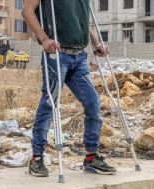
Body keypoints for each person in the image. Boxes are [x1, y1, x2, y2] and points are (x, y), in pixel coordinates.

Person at [22, 0, 117, 177]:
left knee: (93, 103)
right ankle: (36, 158)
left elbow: (82, 20)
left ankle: (91, 157)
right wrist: (44, 38)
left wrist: (96, 43)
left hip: (79, 56)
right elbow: (27, 11)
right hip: (57, 55)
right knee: (50, 102)